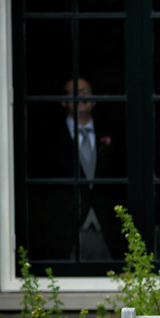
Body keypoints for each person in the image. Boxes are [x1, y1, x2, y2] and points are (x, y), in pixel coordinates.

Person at [28, 77, 125, 261]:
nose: (81, 95)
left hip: (109, 233)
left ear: (94, 100)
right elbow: (39, 192)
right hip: (63, 235)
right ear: (64, 102)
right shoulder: (49, 139)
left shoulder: (112, 134)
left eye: (86, 91)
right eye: (74, 92)